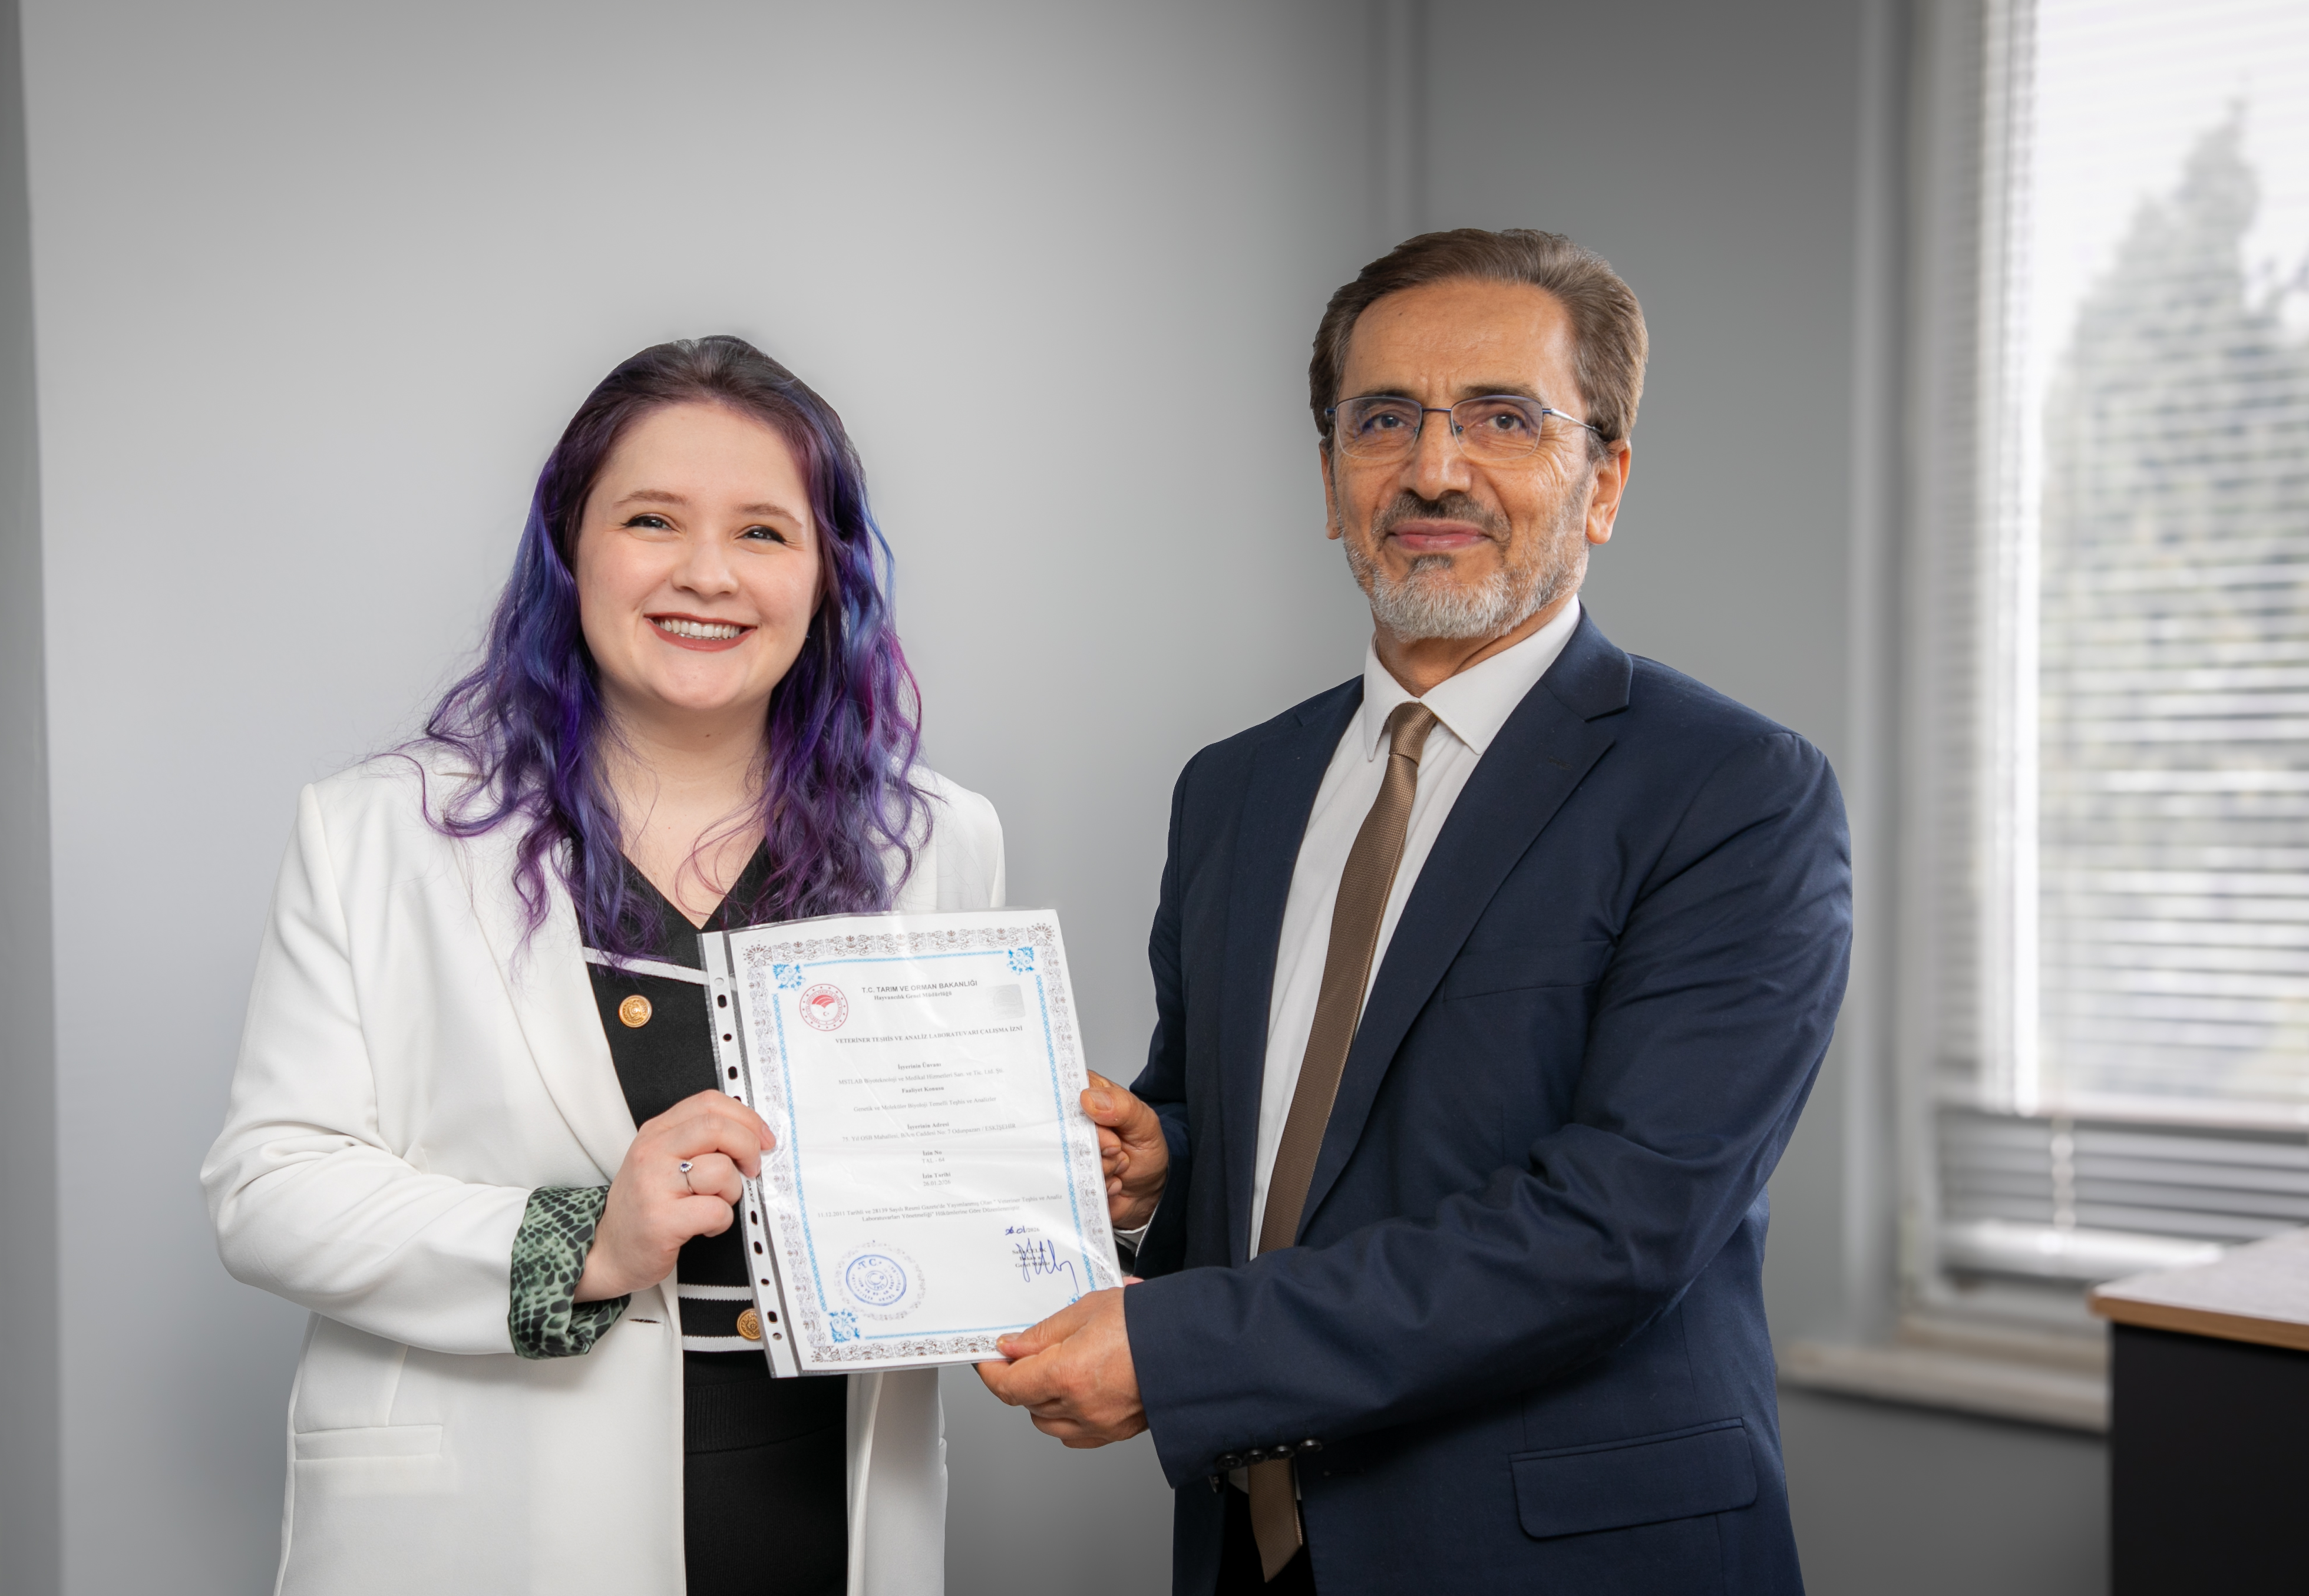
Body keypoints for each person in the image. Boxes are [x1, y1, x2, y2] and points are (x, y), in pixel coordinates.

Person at [977, 229, 1849, 1594]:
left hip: (1561, 1558)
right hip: (1253, 1544)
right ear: (1330, 481)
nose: (1432, 469)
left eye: (1502, 418)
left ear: (1604, 480)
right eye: (1381, 419)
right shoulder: (1233, 789)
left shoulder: (1732, 791)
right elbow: (1275, 1137)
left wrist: (1177, 1350)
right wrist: (1158, 1167)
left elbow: (1615, 1227)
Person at [203, 336, 1000, 1596]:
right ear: (570, 546)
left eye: (763, 532)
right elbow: (268, 1186)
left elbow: (941, 1177)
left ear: (826, 574)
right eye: (651, 519)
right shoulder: (379, 831)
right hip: (492, 1523)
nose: (706, 573)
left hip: (822, 1507)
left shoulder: (939, 841)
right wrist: (581, 1241)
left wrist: (1061, 1190)